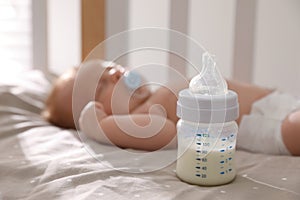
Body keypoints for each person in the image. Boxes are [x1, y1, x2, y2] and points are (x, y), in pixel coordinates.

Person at [42, 60, 300, 155]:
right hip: (267, 126)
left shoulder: (156, 95)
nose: (116, 75)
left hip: (278, 105)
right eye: (101, 85)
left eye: (112, 68)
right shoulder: (139, 116)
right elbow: (167, 134)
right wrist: (101, 128)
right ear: (97, 112)